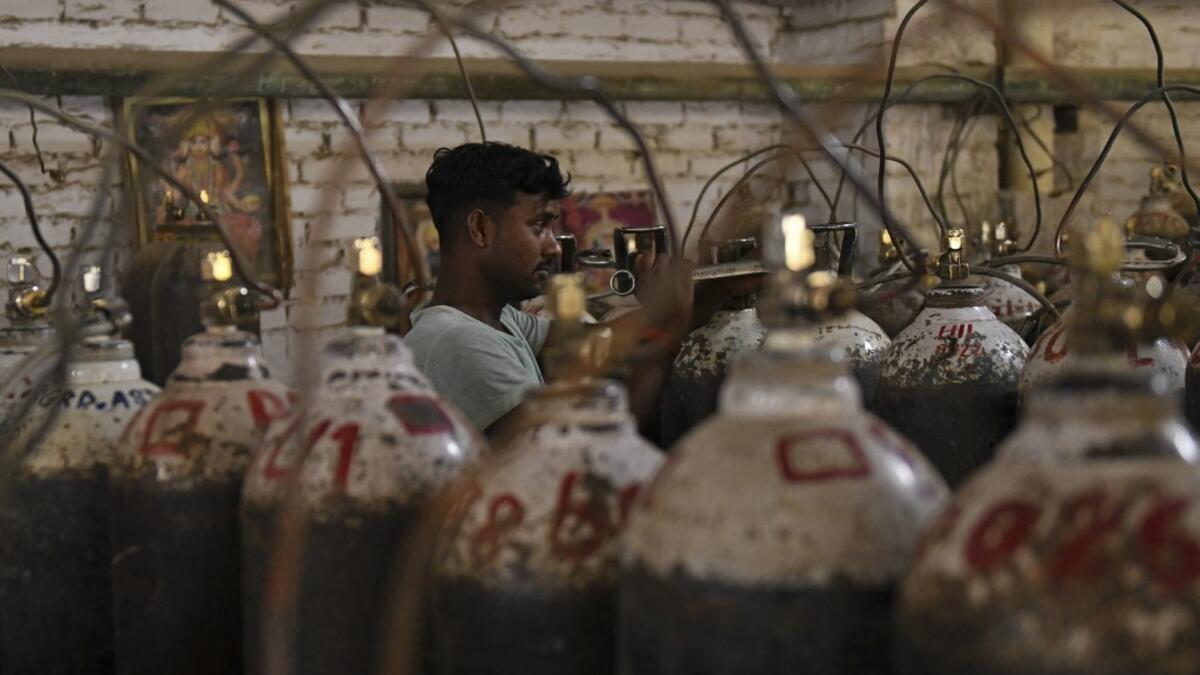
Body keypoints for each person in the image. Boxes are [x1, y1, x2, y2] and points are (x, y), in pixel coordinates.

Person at [404, 142, 694, 439]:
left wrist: (701, 296)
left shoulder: (499, 319)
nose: (554, 247)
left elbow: (599, 339)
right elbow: (576, 455)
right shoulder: (459, 342)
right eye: (539, 226)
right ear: (480, 228)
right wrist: (666, 334)